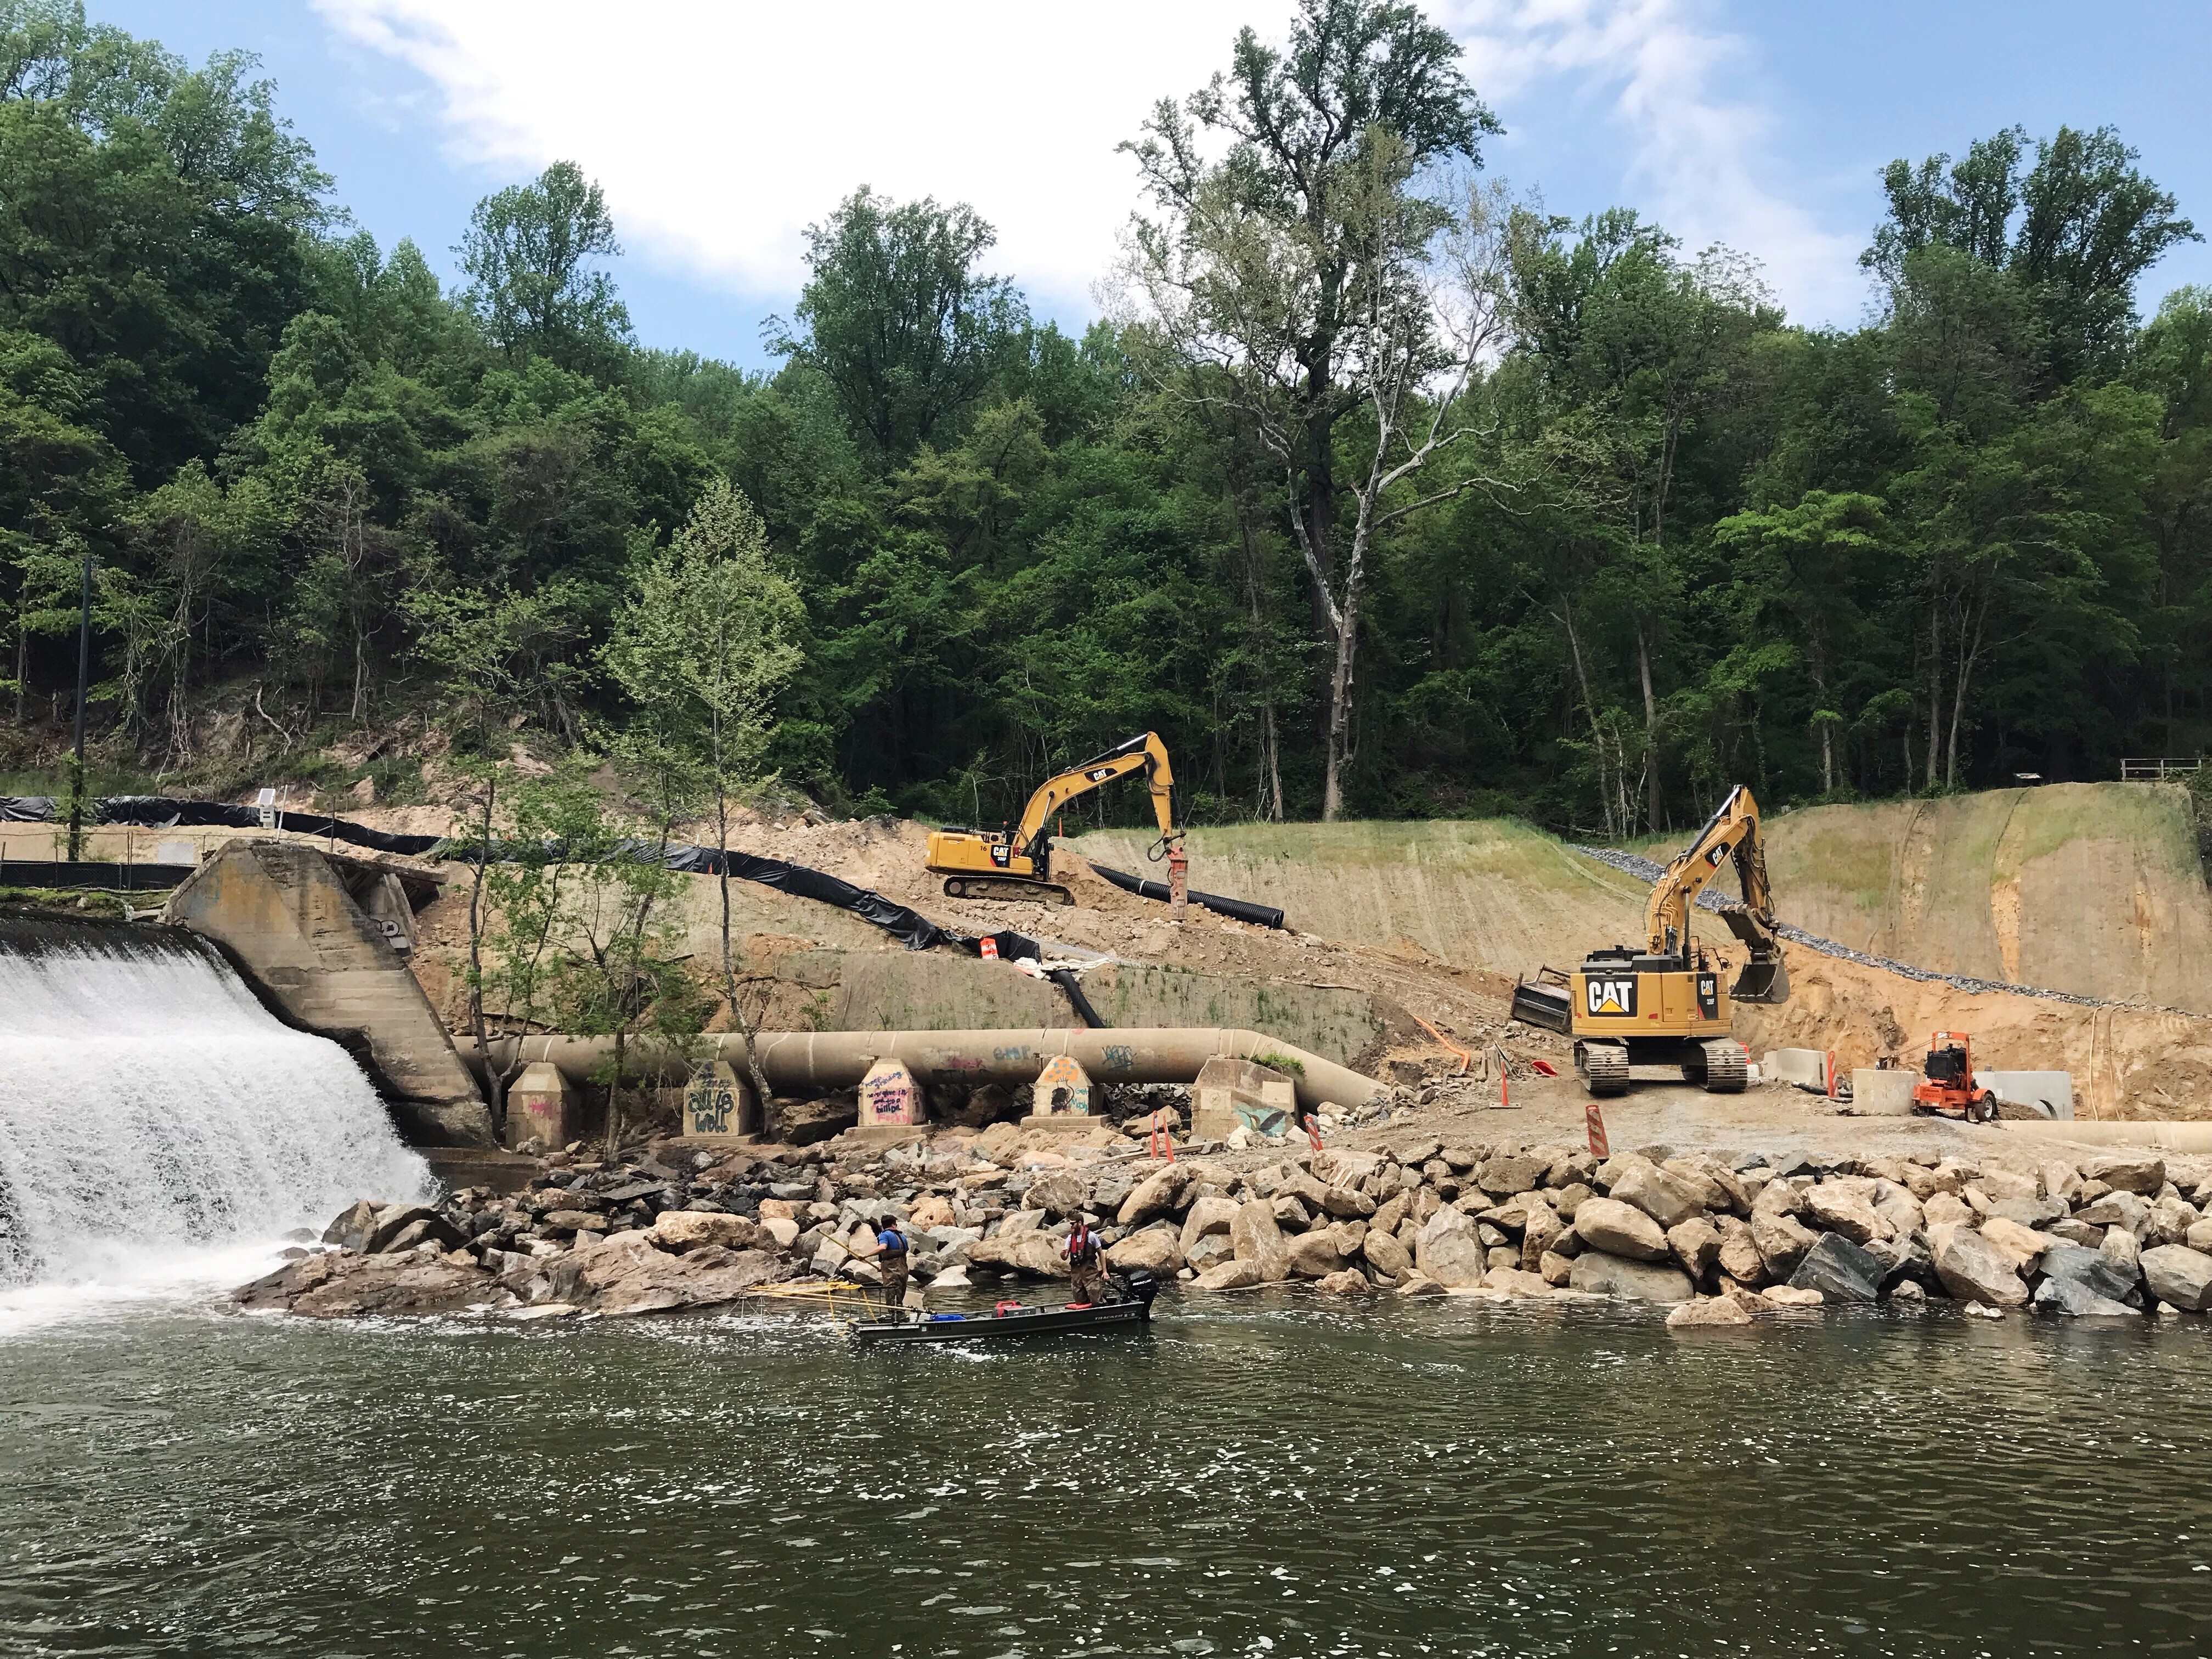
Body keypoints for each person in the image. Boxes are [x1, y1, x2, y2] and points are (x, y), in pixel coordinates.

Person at [1065, 1214, 1107, 1306]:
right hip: (1076, 1274)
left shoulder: (1092, 1236)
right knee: (1079, 1299)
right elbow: (1064, 1257)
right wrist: (1062, 1254)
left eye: (1073, 1224)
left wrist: (1105, 1271)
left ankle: (1102, 1310)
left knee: (1096, 1297)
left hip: (1090, 1273)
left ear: (1080, 1223)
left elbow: (1101, 1253)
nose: (1071, 1226)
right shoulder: (1070, 1238)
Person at [873, 1218, 911, 1318]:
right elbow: (903, 1252)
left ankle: (894, 1315)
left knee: (891, 1289)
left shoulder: (884, 1235)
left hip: (891, 1270)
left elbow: (883, 1247)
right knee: (900, 1290)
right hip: (903, 1268)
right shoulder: (902, 1236)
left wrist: (865, 1256)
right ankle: (900, 1313)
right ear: (893, 1225)